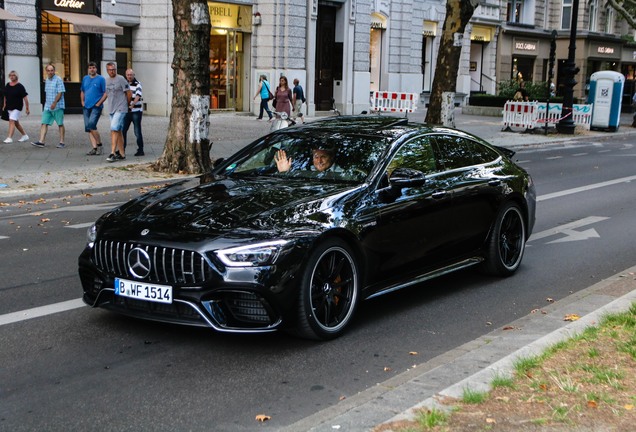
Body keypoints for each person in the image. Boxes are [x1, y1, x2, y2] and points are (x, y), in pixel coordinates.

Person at [31, 64, 66, 148]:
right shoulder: (47, 80)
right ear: (46, 71)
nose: (50, 72)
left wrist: (54, 103)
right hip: (47, 105)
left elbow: (60, 92)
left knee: (60, 124)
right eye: (48, 70)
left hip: (57, 106)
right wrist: (48, 104)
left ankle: (62, 142)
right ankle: (41, 141)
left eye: (52, 70)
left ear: (54, 71)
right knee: (44, 123)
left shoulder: (58, 79)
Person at [104, 62, 132, 162]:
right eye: (110, 70)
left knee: (114, 128)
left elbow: (129, 93)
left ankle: (113, 152)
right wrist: (99, 103)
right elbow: (106, 93)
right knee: (118, 130)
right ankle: (122, 153)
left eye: (114, 69)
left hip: (121, 108)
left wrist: (127, 105)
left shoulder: (120, 79)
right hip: (112, 108)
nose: (112, 71)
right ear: (107, 70)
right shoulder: (106, 80)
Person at [81, 62, 107, 155]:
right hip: (86, 106)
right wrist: (82, 102)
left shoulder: (101, 79)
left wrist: (99, 103)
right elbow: (83, 91)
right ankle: (94, 148)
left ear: (96, 69)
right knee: (89, 128)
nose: (92, 69)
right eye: (90, 68)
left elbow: (105, 93)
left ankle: (99, 145)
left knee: (92, 125)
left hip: (96, 106)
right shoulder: (85, 78)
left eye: (93, 68)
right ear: (88, 69)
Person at [2, 70, 29, 143]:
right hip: (9, 106)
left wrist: (27, 108)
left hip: (17, 106)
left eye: (13, 75)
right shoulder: (8, 85)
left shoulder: (20, 86)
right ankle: (24, 135)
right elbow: (5, 95)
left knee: (11, 120)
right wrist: (4, 104)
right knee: (16, 122)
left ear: (16, 76)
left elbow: (25, 97)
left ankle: (9, 138)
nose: (11, 77)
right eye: (10, 75)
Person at [122, 68, 144, 156]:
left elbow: (138, 95)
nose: (129, 76)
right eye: (128, 75)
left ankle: (140, 149)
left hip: (136, 111)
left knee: (137, 131)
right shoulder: (124, 84)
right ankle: (121, 148)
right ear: (126, 75)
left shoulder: (138, 84)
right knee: (123, 130)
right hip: (127, 111)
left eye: (131, 75)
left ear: (133, 75)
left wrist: (132, 104)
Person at [274, 146, 341, 173]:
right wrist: (284, 171)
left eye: (323, 157)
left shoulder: (341, 172)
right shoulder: (305, 170)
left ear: (331, 158)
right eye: (316, 157)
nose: (319, 161)